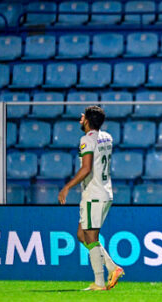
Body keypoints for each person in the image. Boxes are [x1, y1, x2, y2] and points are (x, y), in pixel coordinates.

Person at [58, 106, 124, 291]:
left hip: (93, 194)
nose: (80, 119)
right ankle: (113, 267)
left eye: (83, 116)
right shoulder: (107, 137)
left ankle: (99, 283)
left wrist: (67, 187)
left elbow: (86, 168)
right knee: (82, 235)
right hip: (105, 192)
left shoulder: (86, 140)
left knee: (91, 237)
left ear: (87, 120)